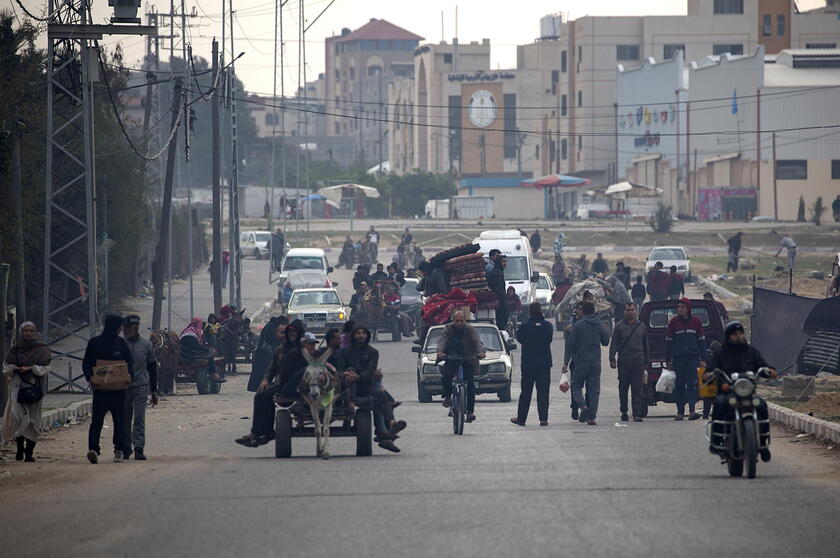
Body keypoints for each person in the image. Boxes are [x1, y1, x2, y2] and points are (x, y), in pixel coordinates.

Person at [706, 321, 775, 461]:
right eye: (735, 334)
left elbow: (762, 365)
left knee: (761, 405)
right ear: (728, 336)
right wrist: (711, 374)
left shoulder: (752, 352)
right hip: (728, 393)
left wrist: (769, 370)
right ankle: (716, 440)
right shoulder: (720, 353)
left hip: (748, 393)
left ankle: (763, 442)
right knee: (719, 403)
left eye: (741, 333)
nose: (738, 336)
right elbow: (709, 371)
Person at [338, 326, 406, 452]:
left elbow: (370, 371)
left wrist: (358, 377)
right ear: (353, 335)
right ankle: (384, 436)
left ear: (367, 336)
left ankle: (392, 424)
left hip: (364, 385)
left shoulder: (373, 352)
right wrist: (346, 374)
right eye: (358, 333)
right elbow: (340, 368)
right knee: (350, 371)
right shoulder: (344, 352)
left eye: (363, 333)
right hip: (345, 388)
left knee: (381, 395)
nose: (361, 335)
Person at [83, 314, 133, 464]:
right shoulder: (96, 343)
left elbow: (129, 363)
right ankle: (96, 449)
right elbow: (87, 364)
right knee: (103, 420)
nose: (121, 329)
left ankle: (115, 449)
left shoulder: (120, 344)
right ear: (116, 327)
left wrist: (128, 376)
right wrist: (89, 377)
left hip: (117, 390)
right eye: (120, 326)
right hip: (102, 390)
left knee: (112, 421)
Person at [2, 322, 51, 462]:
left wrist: (31, 368)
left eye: (31, 330)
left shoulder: (42, 350)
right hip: (18, 387)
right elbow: (6, 368)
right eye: (25, 331)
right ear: (21, 333)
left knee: (33, 421)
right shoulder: (15, 349)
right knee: (17, 418)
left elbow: (45, 368)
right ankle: (19, 450)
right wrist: (17, 369)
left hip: (35, 388)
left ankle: (29, 453)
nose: (28, 333)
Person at [563, 302, 609, 425]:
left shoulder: (578, 325)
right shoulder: (599, 324)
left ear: (583, 311)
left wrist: (566, 362)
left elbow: (571, 345)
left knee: (576, 386)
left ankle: (583, 406)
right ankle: (592, 417)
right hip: (595, 362)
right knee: (594, 390)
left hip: (581, 361)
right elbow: (605, 341)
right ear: (594, 311)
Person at [121, 315, 159, 461]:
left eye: (128, 328)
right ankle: (125, 447)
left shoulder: (146, 345)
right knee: (124, 418)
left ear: (135, 328)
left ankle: (138, 448)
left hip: (140, 386)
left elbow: (152, 368)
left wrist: (154, 391)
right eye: (124, 327)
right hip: (123, 387)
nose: (125, 330)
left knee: (138, 418)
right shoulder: (119, 344)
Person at [437, 311, 485, 423]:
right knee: (446, 376)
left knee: (471, 385)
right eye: (457, 320)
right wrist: (440, 352)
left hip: (467, 358)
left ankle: (470, 412)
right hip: (451, 357)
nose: (459, 323)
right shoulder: (448, 329)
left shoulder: (470, 330)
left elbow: (477, 341)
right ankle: (448, 396)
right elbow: (442, 341)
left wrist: (480, 352)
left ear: (465, 321)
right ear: (453, 321)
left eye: (461, 320)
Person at [511, 303, 554, 427]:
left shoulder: (525, 327)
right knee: (543, 392)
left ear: (530, 312)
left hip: (528, 364)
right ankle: (543, 419)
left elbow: (519, 339)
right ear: (540, 311)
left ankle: (522, 419)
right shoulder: (548, 326)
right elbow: (549, 339)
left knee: (526, 392)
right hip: (544, 364)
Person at [665, 298, 707, 421]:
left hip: (692, 359)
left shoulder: (696, 322)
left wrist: (703, 358)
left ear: (688, 308)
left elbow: (702, 341)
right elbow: (669, 342)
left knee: (692, 385)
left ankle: (692, 411)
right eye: (678, 307)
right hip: (678, 359)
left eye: (682, 307)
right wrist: (668, 359)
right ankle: (680, 412)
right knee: (679, 385)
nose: (680, 309)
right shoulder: (673, 322)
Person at [609, 303, 649, 422]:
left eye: (632, 310)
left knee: (637, 389)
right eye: (628, 310)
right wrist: (612, 359)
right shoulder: (619, 326)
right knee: (623, 388)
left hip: (638, 361)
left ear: (636, 311)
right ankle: (624, 411)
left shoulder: (641, 326)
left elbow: (646, 344)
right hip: (624, 361)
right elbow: (614, 344)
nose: (630, 312)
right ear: (624, 311)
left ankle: (636, 414)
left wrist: (647, 360)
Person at [247, 316, 287, 392]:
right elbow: (272, 339)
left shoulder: (270, 325)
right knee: (263, 370)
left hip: (263, 353)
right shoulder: (271, 327)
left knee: (260, 371)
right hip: (265, 353)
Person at [180, 317, 224, 383]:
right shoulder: (192, 333)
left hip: (182, 355)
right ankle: (213, 374)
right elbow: (196, 346)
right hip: (191, 355)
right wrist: (208, 349)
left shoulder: (186, 331)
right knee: (210, 355)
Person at [487, 255, 508, 331]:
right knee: (501, 322)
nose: (505, 263)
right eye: (503, 261)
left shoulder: (498, 271)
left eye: (506, 261)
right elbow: (498, 289)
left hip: (500, 300)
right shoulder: (497, 273)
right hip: (499, 302)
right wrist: (501, 300)